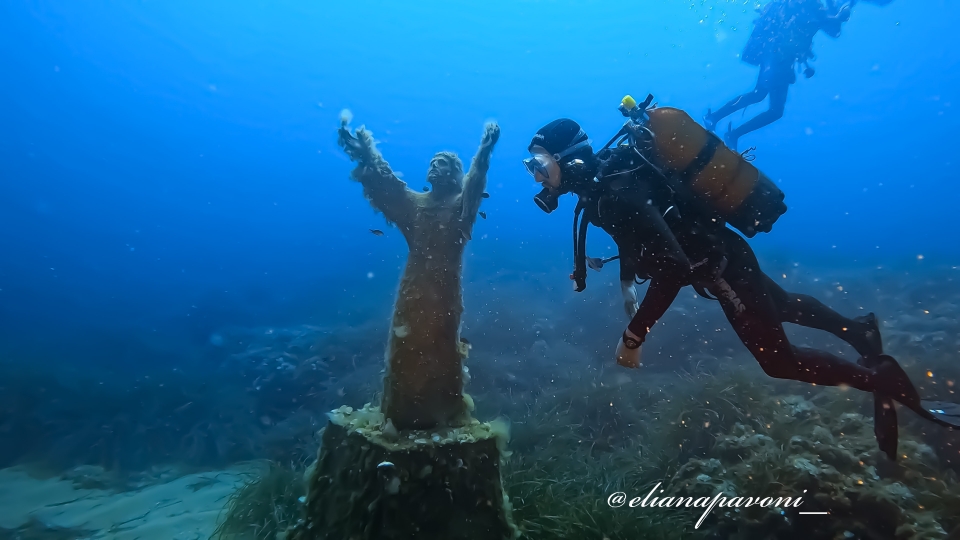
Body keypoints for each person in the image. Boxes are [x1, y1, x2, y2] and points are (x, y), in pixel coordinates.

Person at [523, 117, 959, 459]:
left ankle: (883, 378)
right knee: (783, 304)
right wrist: (628, 290)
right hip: (726, 253)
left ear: (572, 159)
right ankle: (860, 332)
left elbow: (673, 267)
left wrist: (634, 335)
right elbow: (639, 246)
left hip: (721, 268)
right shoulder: (605, 187)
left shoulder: (615, 192)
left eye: (540, 166)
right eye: (532, 169)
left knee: (779, 362)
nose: (539, 178)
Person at [337, 113, 499, 429]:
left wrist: (483, 150)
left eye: (442, 163)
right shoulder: (414, 204)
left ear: (454, 173)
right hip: (413, 289)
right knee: (405, 347)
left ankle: (442, 412)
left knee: (442, 347)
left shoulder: (462, 207)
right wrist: (365, 152)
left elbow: (476, 181)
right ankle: (401, 412)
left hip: (445, 291)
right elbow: (386, 186)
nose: (433, 166)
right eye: (432, 162)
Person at [703, 0, 852, 149]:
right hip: (776, 51)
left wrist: (834, 10)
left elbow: (834, 31)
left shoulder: (817, 6)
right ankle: (719, 122)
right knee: (762, 97)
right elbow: (813, 19)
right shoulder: (806, 4)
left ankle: (725, 127)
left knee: (771, 106)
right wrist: (837, 15)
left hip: (784, 58)